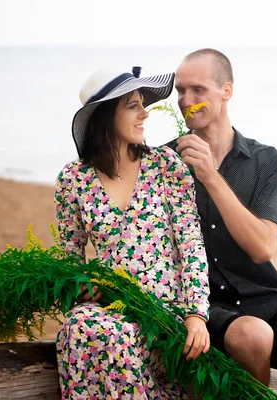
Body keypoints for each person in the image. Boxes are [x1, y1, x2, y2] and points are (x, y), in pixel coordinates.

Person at [166, 49, 277, 399]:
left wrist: (211, 177)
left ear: (226, 91)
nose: (187, 101)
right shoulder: (164, 163)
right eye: (180, 91)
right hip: (202, 304)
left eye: (198, 90)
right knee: (252, 337)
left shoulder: (265, 160)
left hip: (265, 295)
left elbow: (263, 248)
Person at [55, 67, 210, 399]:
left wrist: (196, 315)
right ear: (106, 116)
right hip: (109, 304)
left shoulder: (165, 166)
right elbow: (69, 259)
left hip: (161, 307)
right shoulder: (73, 179)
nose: (145, 113)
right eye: (133, 106)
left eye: (143, 104)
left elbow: (191, 243)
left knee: (118, 334)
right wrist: (81, 285)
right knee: (76, 325)